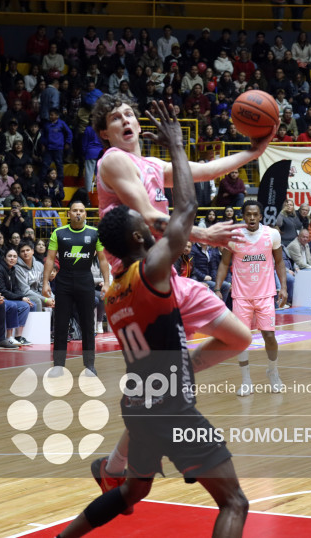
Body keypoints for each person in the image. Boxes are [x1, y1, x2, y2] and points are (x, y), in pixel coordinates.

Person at [60, 100, 248, 538]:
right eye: (114, 118)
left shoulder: (114, 294)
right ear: (141, 236)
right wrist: (181, 152)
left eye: (129, 114)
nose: (126, 121)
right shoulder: (153, 273)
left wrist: (250, 153)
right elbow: (178, 214)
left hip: (139, 403)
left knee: (131, 491)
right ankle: (118, 464)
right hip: (172, 408)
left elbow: (198, 175)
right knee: (235, 501)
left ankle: (77, 515)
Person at [215, 200, 287, 397]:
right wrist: (217, 287)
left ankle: (273, 371)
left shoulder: (272, 234)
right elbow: (223, 263)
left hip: (266, 295)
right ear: (243, 216)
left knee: (269, 337)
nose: (252, 218)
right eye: (248, 214)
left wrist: (284, 288)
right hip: (241, 297)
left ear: (261, 216)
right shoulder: (234, 237)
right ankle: (246, 380)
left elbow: (279, 262)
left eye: (255, 214)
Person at [42, 200, 110, 376]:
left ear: (85, 214)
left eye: (81, 210)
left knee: (88, 324)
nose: (78, 213)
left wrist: (107, 283)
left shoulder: (95, 233)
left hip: (85, 281)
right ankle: (58, 365)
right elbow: (50, 259)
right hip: (64, 282)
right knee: (61, 324)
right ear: (69, 214)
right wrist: (45, 283)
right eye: (74, 210)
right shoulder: (59, 233)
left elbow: (103, 260)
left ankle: (90, 365)